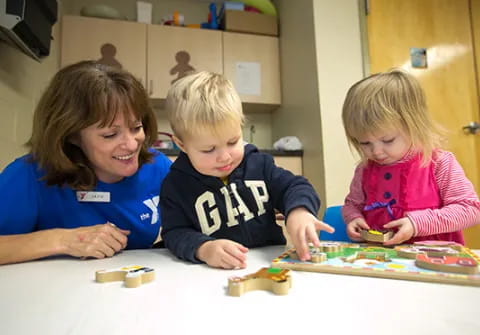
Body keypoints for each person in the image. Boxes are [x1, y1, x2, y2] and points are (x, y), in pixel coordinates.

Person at [0, 61, 171, 265]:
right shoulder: (29, 175)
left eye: (136, 127)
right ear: (71, 135)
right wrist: (63, 240)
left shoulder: (157, 166)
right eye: (110, 135)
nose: (132, 145)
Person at [160, 71, 333, 269]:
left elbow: (295, 186)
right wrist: (204, 248)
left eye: (233, 141)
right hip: (211, 273)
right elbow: (175, 232)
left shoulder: (259, 165)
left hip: (269, 264)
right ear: (181, 145)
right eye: (209, 149)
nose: (224, 157)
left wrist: (299, 211)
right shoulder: (175, 185)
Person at [341, 69, 480, 246]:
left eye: (388, 140)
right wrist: (353, 218)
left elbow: (471, 210)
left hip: (432, 262)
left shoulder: (439, 162)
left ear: (414, 124)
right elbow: (352, 204)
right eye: (364, 143)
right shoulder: (365, 169)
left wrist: (417, 223)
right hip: (380, 259)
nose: (376, 152)